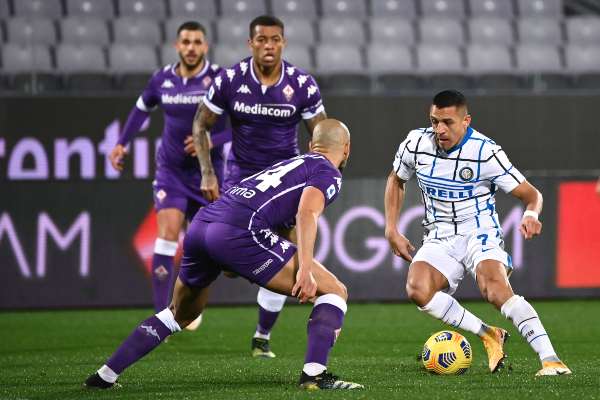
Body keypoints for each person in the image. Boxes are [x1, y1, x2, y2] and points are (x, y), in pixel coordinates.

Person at [84, 119, 363, 390]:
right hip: (239, 231)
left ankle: (105, 375)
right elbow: (307, 212)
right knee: (334, 291)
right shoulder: (328, 172)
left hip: (203, 224)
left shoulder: (291, 163)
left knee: (178, 313)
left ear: (312, 143)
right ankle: (314, 376)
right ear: (346, 148)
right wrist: (304, 268)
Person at [384, 90, 571, 376]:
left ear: (466, 120)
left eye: (447, 122)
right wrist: (391, 228)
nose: (439, 129)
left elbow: (532, 194)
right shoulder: (415, 143)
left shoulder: (486, 152)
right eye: (434, 122)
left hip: (479, 232)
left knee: (494, 289)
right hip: (440, 235)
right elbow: (396, 179)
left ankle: (551, 360)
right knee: (418, 289)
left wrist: (531, 214)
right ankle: (488, 334)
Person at [192, 15, 327, 357]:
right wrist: (208, 174)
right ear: (250, 43)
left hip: (286, 179)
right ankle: (188, 307)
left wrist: (319, 174)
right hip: (242, 179)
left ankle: (262, 337)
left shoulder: (302, 84)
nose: (269, 46)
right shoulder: (230, 80)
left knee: (288, 255)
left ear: (283, 42)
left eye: (276, 39)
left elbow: (322, 135)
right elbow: (200, 124)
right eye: (262, 40)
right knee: (228, 265)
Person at [108, 21, 230, 329]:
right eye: (186, 42)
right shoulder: (162, 79)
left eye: (197, 42)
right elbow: (141, 109)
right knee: (167, 234)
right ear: (177, 46)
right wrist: (122, 143)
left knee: (206, 245)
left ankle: (189, 303)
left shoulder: (219, 79)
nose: (191, 47)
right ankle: (163, 314)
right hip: (171, 172)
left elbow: (238, 125)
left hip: (208, 174)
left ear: (206, 46)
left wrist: (210, 140)